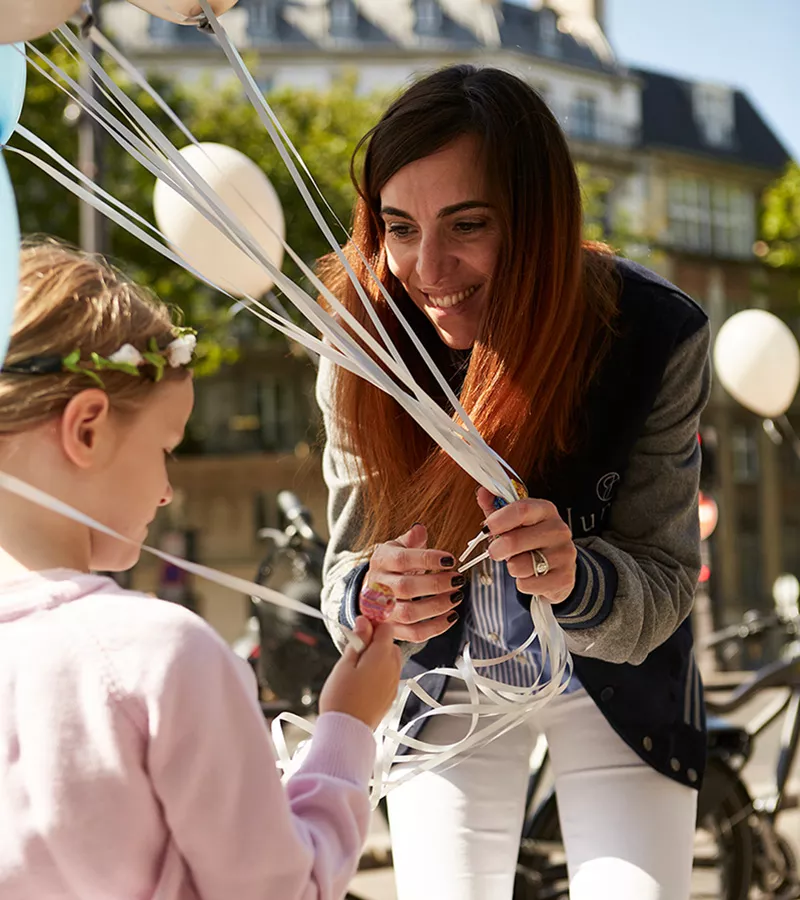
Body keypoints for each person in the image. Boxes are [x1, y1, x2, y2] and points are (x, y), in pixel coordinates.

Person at [317, 65, 710, 900]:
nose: (427, 268)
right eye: (397, 226)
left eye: (467, 225)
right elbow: (341, 571)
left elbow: (668, 580)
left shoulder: (654, 332)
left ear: (537, 221)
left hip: (619, 690)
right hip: (447, 683)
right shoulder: (360, 335)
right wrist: (373, 591)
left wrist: (578, 578)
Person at [0, 240, 402, 900]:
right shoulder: (158, 654)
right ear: (88, 429)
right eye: (166, 447)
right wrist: (347, 730)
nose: (165, 490)